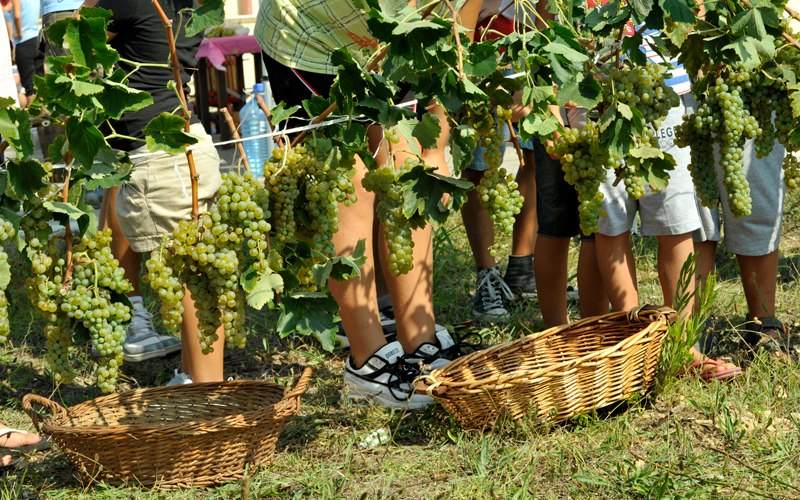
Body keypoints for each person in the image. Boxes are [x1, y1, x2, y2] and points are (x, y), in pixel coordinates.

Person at [256, 0, 483, 409]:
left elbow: (456, 33)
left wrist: (439, 139)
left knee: (407, 163)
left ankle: (420, 337)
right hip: (309, 36)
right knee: (348, 181)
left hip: (391, 43)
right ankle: (368, 360)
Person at [593, 28, 741, 380]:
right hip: (595, 94)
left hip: (666, 94)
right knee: (611, 221)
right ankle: (635, 340)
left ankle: (683, 343)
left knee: (677, 220)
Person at [96, 0, 222, 383]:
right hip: (183, 146)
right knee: (197, 277)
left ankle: (204, 393)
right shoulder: (183, 6)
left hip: (162, 157)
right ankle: (195, 379)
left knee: (192, 282)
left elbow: (72, 42)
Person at [460, 0, 538, 322]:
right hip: (484, 52)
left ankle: (521, 268)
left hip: (534, 47)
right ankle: (486, 275)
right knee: (481, 167)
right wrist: (466, 67)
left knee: (535, 157)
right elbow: (464, 13)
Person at [694, 148, 796, 361]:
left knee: (756, 196)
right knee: (694, 214)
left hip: (754, 114)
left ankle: (763, 324)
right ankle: (694, 326)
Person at [6, 0, 43, 107]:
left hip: (24, 41)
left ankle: (33, 116)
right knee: (40, 82)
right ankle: (44, 115)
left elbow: (17, 16)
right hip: (37, 39)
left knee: (29, 86)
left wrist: (18, 33)